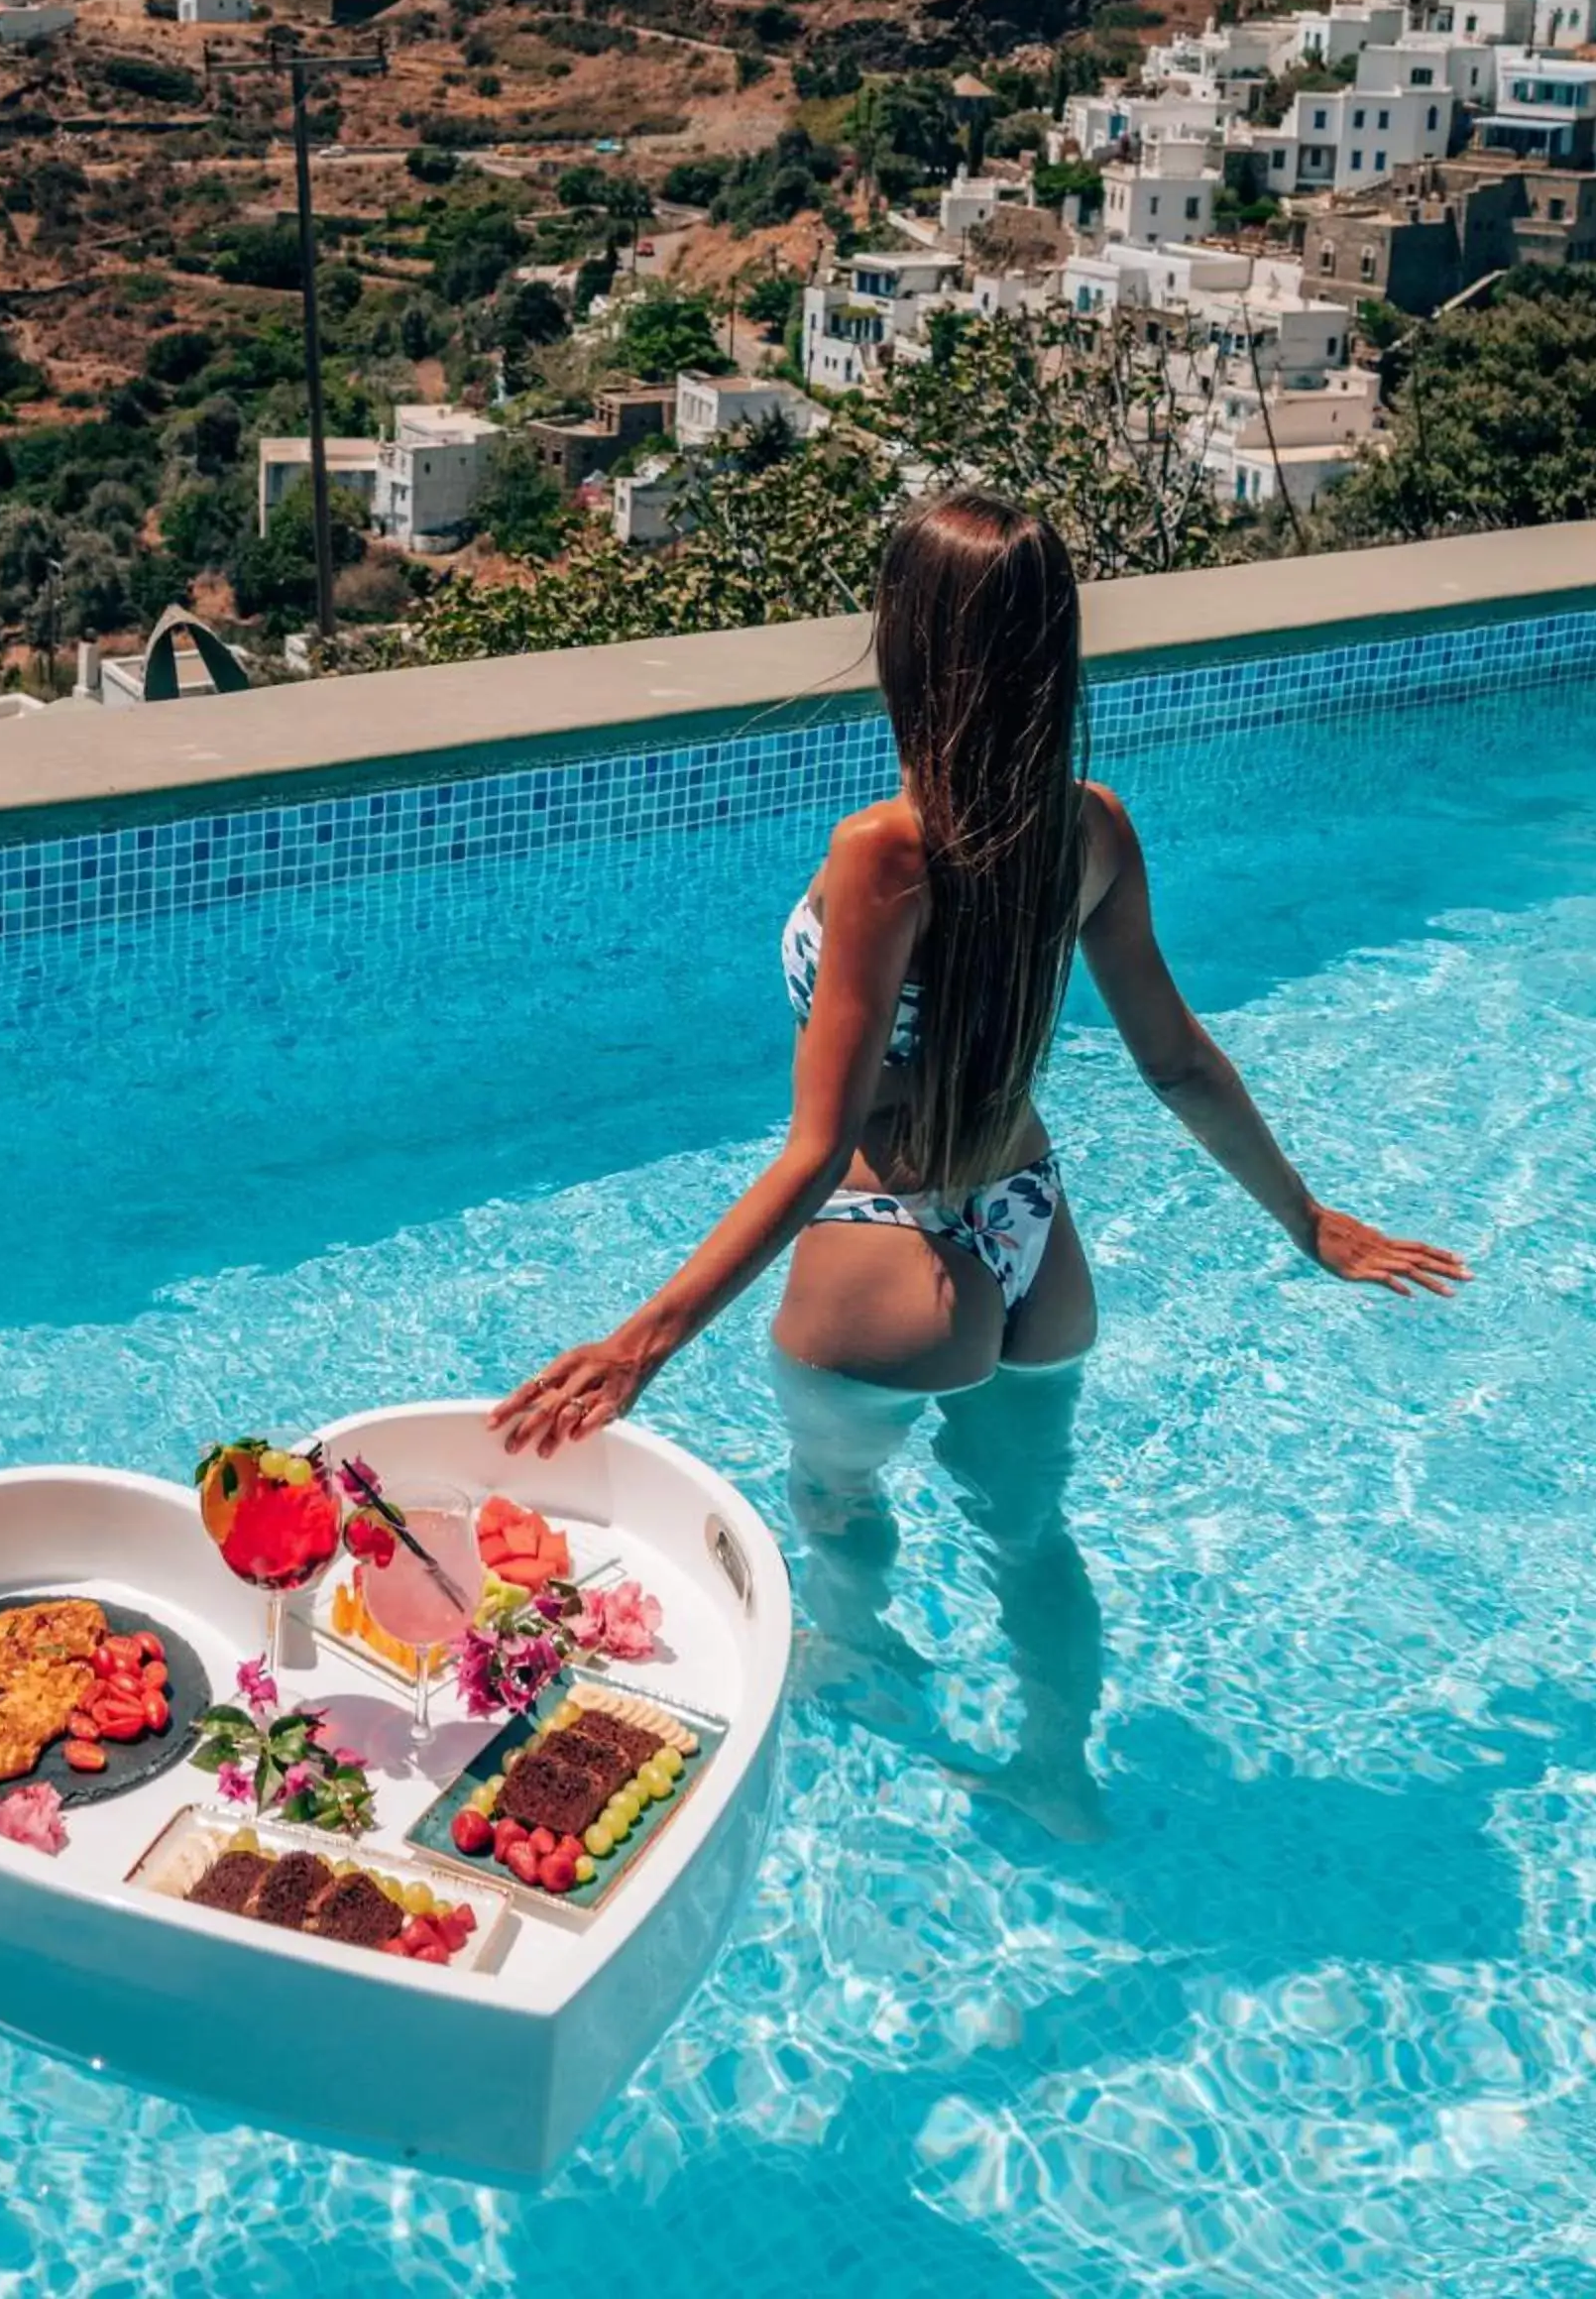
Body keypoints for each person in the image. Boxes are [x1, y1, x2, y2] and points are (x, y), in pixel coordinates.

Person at [493, 491, 1467, 1823]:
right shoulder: (1091, 828)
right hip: (1033, 1237)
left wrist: (641, 1343)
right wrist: (1307, 1220)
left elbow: (816, 1147)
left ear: (904, 639)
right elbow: (1176, 1059)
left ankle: (859, 1660)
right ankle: (1059, 1774)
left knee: (835, 1501)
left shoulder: (885, 853)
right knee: (1030, 1534)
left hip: (885, 1256)